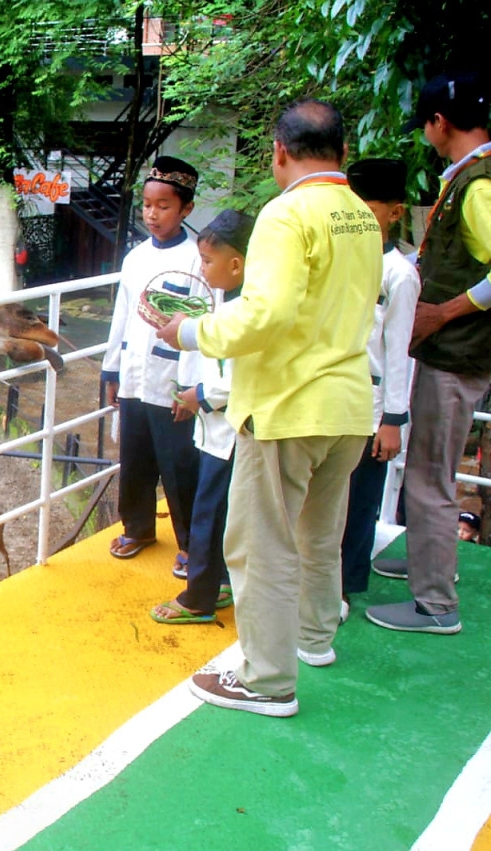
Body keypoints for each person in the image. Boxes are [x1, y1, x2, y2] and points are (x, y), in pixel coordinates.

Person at [157, 100, 382, 717]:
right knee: (319, 533)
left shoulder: (287, 215)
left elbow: (266, 314)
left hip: (289, 406)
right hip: (347, 402)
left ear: (281, 151)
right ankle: (313, 641)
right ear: (341, 149)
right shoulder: (362, 215)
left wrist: (188, 332)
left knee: (262, 545)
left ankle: (266, 681)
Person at [366, 71, 491, 635]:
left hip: (456, 353)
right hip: (450, 351)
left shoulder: (478, 186)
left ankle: (436, 604)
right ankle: (424, 560)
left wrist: (444, 311)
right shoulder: (468, 178)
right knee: (425, 466)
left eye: (427, 123)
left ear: (439, 123)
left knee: (430, 475)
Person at [151, 210, 255, 625]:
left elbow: (239, 375)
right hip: (217, 424)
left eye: (209, 262)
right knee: (217, 508)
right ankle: (219, 580)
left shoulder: (246, 308)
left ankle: (198, 598)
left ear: (237, 263)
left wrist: (201, 396)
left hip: (229, 427)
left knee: (209, 511)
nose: (202, 269)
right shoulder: (231, 299)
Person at [101, 156, 203, 574]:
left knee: (180, 467)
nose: (152, 213)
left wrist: (191, 386)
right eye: (147, 204)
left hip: (172, 381)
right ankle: (138, 527)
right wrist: (110, 369)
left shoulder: (198, 259)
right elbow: (121, 315)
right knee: (136, 459)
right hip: (135, 377)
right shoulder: (135, 257)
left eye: (163, 205)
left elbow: (201, 327)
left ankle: (193, 544)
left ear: (186, 209)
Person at [337, 159, 421, 623]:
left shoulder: (399, 274)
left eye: (370, 210)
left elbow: (399, 354)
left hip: (371, 410)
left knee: (360, 501)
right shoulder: (339, 261)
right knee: (325, 499)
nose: (360, 219)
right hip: (333, 399)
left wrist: (393, 421)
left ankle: (345, 587)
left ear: (394, 212)